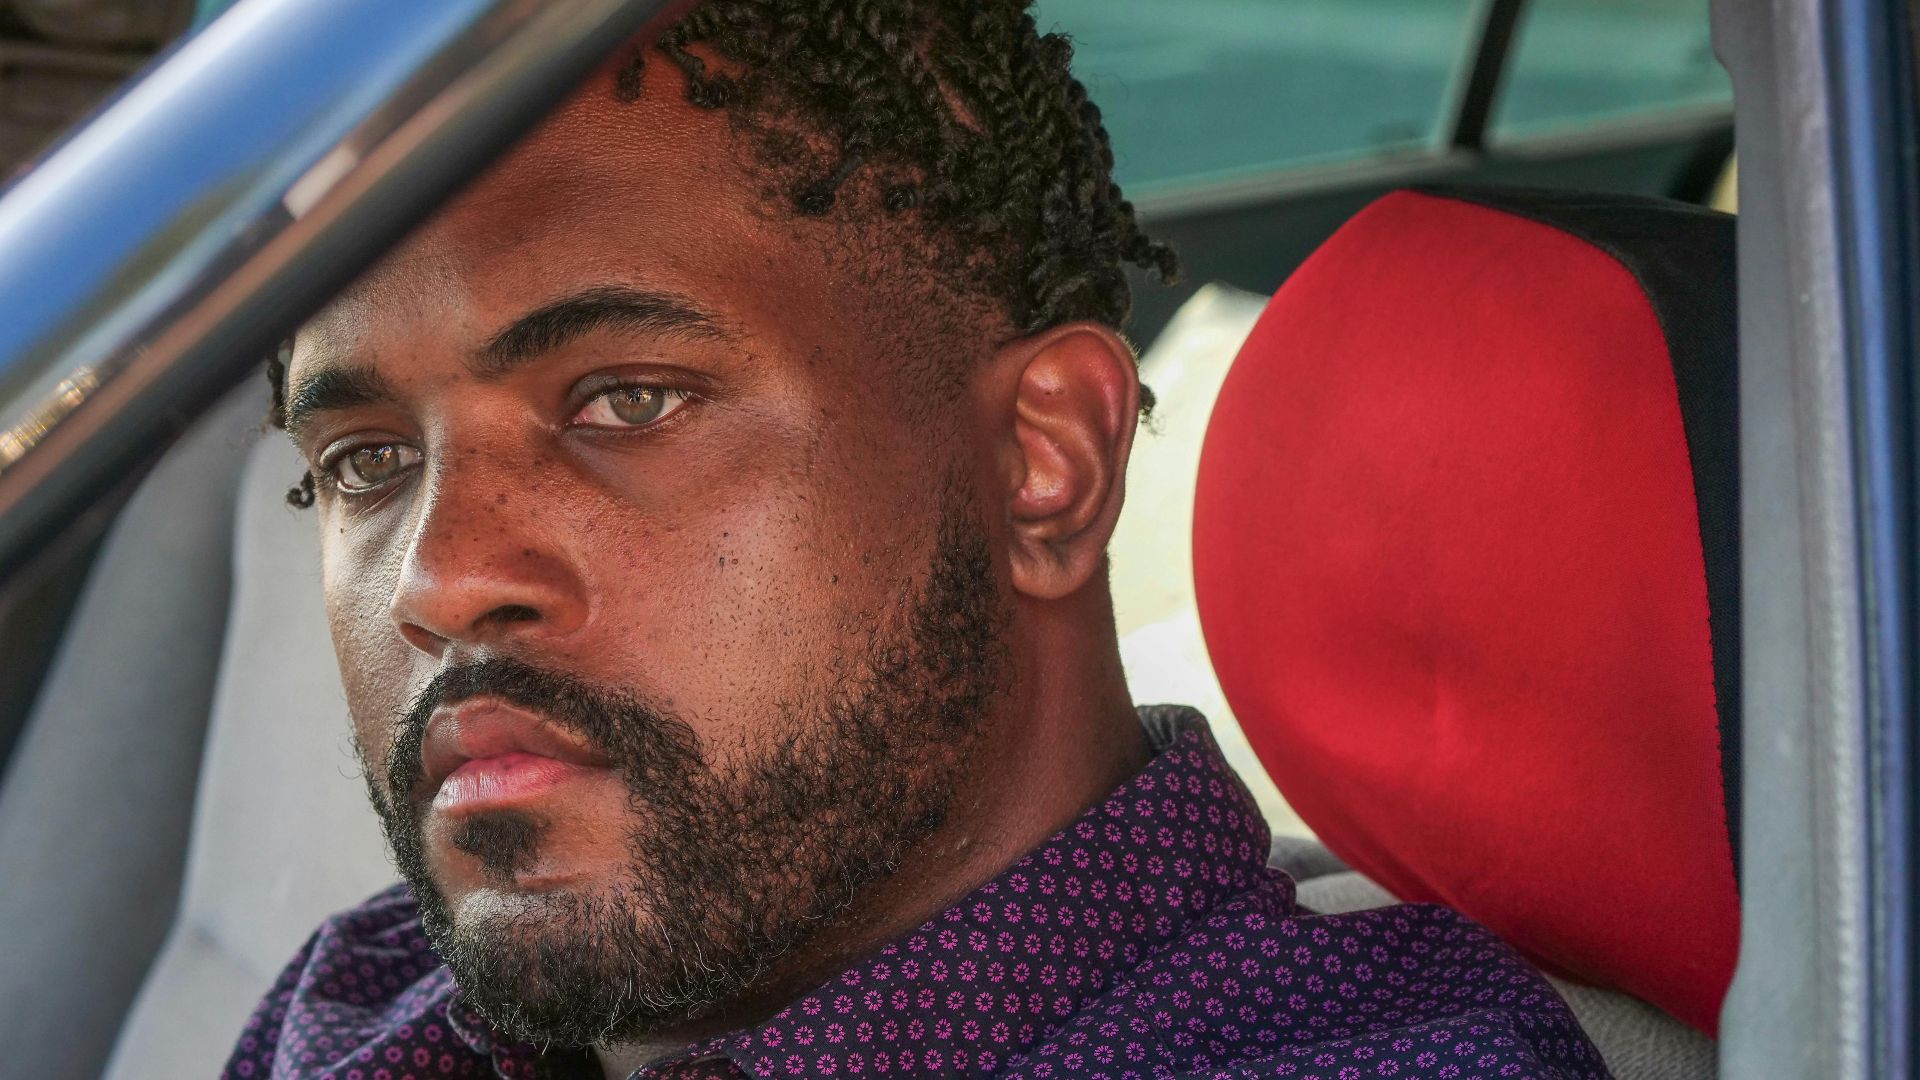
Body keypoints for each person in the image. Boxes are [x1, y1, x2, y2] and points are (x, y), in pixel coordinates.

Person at [225, 3, 1605, 1077]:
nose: (441, 580)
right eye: (366, 462)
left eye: (629, 401)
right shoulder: (362, 1000)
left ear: (1043, 462)